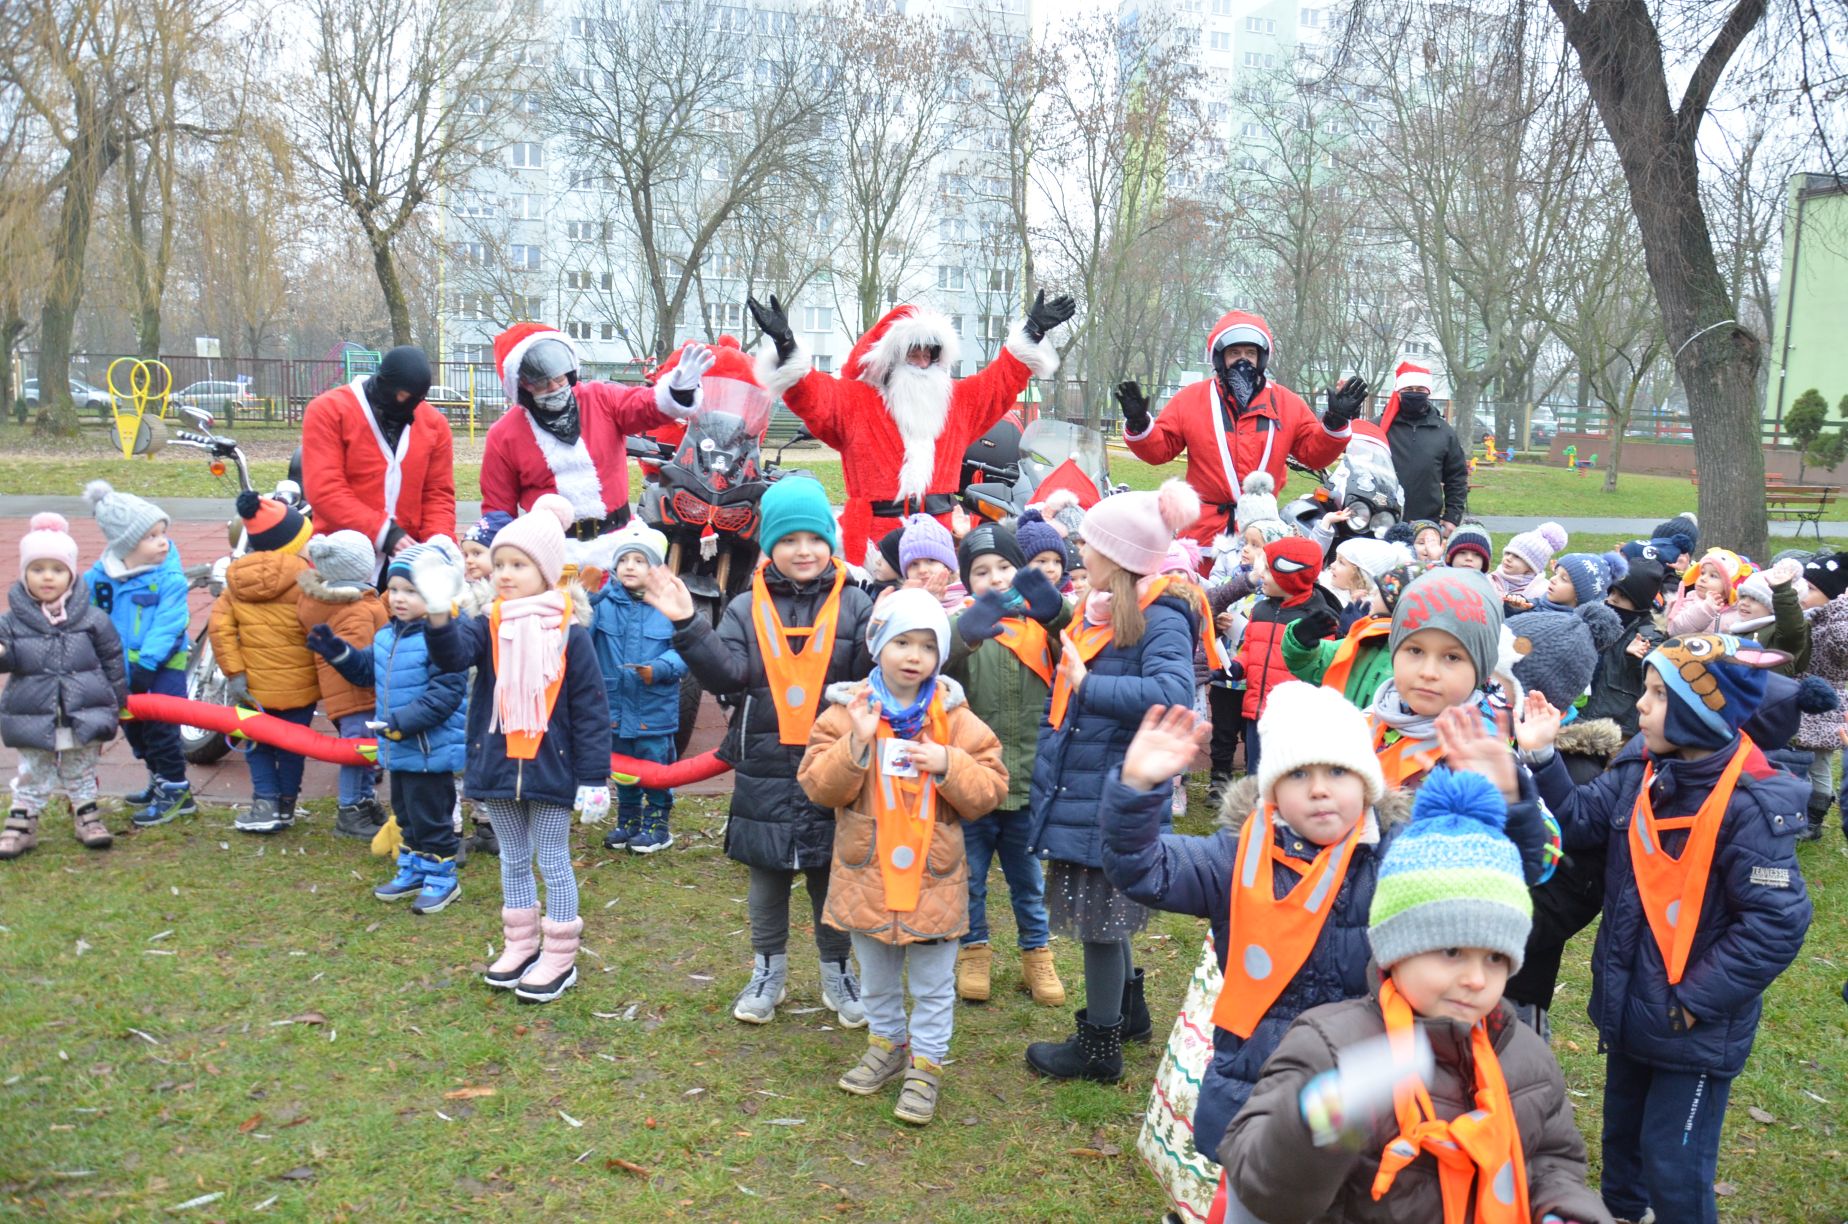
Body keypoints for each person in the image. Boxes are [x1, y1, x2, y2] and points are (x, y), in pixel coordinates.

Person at [1219, 764, 1612, 1224]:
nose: (1475, 979)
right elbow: (1265, 1194)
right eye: (1451, 951)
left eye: (1495, 959)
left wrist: (1565, 1211)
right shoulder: (1330, 1045)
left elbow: (1550, 1161)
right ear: (1396, 949)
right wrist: (1320, 1123)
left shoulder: (1526, 1057)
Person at [1520, 634, 1811, 1224]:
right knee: (1622, 1144)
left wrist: (1692, 1002)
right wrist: (1545, 759)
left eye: (1658, 694)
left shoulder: (1750, 807)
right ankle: (1626, 1212)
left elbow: (1776, 924)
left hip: (1691, 1024)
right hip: (1632, 1009)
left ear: (1703, 711)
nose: (1642, 706)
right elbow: (1577, 822)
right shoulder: (1638, 769)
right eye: (1646, 691)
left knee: (1674, 1164)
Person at [1102, 686, 1407, 1216]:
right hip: (1257, 1093)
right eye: (1297, 774)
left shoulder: (1398, 859)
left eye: (1337, 772)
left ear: (1365, 780)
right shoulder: (1235, 857)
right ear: (1270, 790)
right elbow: (1143, 869)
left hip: (1364, 1091)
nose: (1318, 791)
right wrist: (1138, 789)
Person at [642, 476, 875, 1027]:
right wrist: (686, 624)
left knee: (830, 875)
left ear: (830, 543)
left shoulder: (859, 605)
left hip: (834, 766)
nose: (803, 550)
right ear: (770, 545)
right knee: (766, 877)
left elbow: (874, 677)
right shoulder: (746, 607)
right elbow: (728, 673)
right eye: (789, 539)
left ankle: (837, 973)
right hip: (765, 763)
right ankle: (767, 970)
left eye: (814, 539)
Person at [798, 589, 1010, 1126]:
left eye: (927, 645)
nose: (913, 655)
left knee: (935, 983)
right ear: (877, 646)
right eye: (901, 642)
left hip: (932, 876)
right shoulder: (848, 713)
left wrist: (948, 763)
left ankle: (927, 1063)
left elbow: (990, 789)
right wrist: (857, 747)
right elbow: (819, 787)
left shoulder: (957, 720)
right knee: (875, 975)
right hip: (868, 872)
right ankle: (888, 1043)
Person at [1022, 480, 1200, 1082]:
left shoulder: (1163, 615)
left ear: (1118, 557)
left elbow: (1175, 696)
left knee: (1098, 921)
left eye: (1088, 546)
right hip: (1091, 786)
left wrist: (1087, 684)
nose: (1079, 555)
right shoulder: (1106, 611)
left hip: (1115, 794)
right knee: (1105, 911)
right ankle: (1130, 1011)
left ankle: (1099, 1047)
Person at [421, 494, 613, 1003]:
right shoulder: (487, 624)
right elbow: (452, 658)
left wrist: (594, 778)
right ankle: (520, 943)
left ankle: (559, 952)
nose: (504, 574)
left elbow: (592, 710)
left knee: (552, 855)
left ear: (547, 573)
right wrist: (439, 617)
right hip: (500, 764)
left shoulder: (570, 636)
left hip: (553, 769)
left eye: (518, 565)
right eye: (500, 563)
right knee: (511, 855)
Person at [748, 291, 1072, 566]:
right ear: (889, 359)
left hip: (938, 538)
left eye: (927, 355)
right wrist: (786, 342)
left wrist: (1032, 331)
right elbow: (811, 393)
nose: (920, 363)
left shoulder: (956, 403)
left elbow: (1000, 382)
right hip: (873, 542)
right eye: (911, 354)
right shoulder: (855, 402)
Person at [308, 541, 469, 914]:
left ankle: (442, 877)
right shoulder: (387, 635)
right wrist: (339, 653)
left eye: (412, 591)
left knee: (432, 817)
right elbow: (368, 672)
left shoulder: (444, 641)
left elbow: (445, 695)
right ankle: (413, 868)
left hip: (431, 749)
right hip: (399, 748)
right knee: (406, 815)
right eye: (394, 589)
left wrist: (401, 724)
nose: (398, 598)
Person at [945, 522, 1068, 1006]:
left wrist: (1056, 613)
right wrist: (964, 632)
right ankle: (974, 950)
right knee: (969, 876)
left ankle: (1037, 955)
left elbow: (1086, 641)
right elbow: (932, 659)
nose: (995, 579)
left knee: (1028, 880)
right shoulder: (964, 626)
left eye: (1004, 567)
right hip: (971, 782)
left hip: (1029, 779)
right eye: (981, 571)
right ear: (967, 580)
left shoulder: (1042, 628)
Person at [1117, 311, 1360, 552]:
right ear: (1220, 358)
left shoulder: (1287, 403)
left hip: (1262, 534)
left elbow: (1313, 454)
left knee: (1261, 589)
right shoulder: (1192, 400)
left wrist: (1335, 423)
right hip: (1205, 537)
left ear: (1261, 358)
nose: (1243, 360)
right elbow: (1159, 450)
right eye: (1234, 353)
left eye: (1250, 353)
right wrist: (1140, 424)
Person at [479, 323, 713, 537]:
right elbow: (498, 510)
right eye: (540, 382)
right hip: (553, 551)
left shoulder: (601, 398)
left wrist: (677, 391)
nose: (554, 386)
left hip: (617, 541)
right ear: (520, 385)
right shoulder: (504, 435)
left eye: (558, 377)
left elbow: (646, 406)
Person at [0, 514, 127, 859]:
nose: (46, 577)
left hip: (82, 712)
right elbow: (6, 659)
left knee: (80, 769)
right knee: (33, 771)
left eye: (56, 569)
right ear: (24, 573)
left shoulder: (92, 619)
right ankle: (23, 821)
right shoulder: (11, 623)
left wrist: (116, 703)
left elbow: (112, 660)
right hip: (34, 713)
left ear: (70, 574)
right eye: (37, 568)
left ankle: (86, 815)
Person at [82, 481, 195, 826]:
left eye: (163, 533)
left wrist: (148, 661)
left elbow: (169, 622)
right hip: (119, 668)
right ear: (125, 545)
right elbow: (88, 616)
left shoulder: (168, 578)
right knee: (135, 727)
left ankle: (177, 790)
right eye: (151, 537)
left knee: (162, 727)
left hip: (161, 665)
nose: (163, 542)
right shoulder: (100, 578)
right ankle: (157, 778)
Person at [208, 493, 319, 835]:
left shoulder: (235, 581)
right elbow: (319, 624)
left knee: (256, 744)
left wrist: (235, 672)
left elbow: (220, 629)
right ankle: (287, 802)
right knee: (293, 745)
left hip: (252, 685)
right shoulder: (308, 580)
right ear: (293, 544)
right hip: (300, 685)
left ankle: (264, 801)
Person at [300, 345, 457, 570]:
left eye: (414, 399)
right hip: (340, 556)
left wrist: (438, 540)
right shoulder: (329, 410)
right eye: (401, 396)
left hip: (406, 560)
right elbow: (326, 490)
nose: (405, 404)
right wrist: (384, 532)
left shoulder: (434, 424)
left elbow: (437, 494)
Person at [590, 521, 686, 855]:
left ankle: (658, 825)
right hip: (614, 705)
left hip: (653, 707)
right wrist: (583, 600)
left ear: (655, 569)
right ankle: (627, 819)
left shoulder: (669, 606)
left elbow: (686, 651)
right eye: (624, 560)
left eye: (640, 560)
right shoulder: (602, 603)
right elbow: (580, 641)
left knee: (656, 767)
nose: (630, 566)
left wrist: (660, 669)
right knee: (623, 767)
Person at [296, 531, 390, 840]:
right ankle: (350, 809)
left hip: (342, 695)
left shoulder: (323, 600)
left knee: (362, 750)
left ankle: (364, 800)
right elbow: (362, 660)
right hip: (359, 695)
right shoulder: (358, 609)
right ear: (363, 568)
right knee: (356, 751)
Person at [1237, 537, 1341, 777]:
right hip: (1257, 711)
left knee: (1286, 777)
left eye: (1268, 570)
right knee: (1255, 776)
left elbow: (1319, 666)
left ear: (1290, 576)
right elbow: (1250, 648)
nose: (1260, 574)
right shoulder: (1261, 609)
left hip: (1293, 718)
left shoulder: (1316, 620)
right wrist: (1236, 666)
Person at [1582, 556, 1668, 739]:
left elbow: (1651, 670)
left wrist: (1635, 657)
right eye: (1612, 592)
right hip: (1582, 712)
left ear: (1637, 603)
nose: (1612, 600)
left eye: (1622, 597)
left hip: (1615, 728)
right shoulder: (1598, 619)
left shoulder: (1648, 635)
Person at [1377, 361, 1468, 530]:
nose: (1414, 394)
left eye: (1420, 390)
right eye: (1408, 390)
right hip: (1381, 519)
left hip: (1426, 523)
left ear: (1428, 392)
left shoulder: (1444, 432)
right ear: (1398, 393)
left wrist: (1452, 516)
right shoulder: (1379, 428)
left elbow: (1456, 477)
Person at [1664, 547, 1745, 635]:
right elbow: (1676, 630)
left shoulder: (1738, 610)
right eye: (1702, 573)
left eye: (1713, 576)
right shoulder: (1689, 602)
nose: (1703, 578)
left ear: (1729, 585)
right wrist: (1706, 608)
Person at [897, 513, 965, 612]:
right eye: (914, 564)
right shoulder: (900, 603)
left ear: (948, 567)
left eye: (931, 560)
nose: (922, 570)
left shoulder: (969, 598)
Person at [1490, 521, 1567, 608]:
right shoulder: (1491, 580)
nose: (1508, 558)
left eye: (1517, 556)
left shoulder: (1541, 592)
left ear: (1531, 567)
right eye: (1507, 553)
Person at [1536, 550, 1628, 612]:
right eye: (1556, 574)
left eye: (1563, 579)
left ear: (1580, 594)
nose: (1552, 579)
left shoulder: (1571, 629)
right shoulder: (1538, 603)